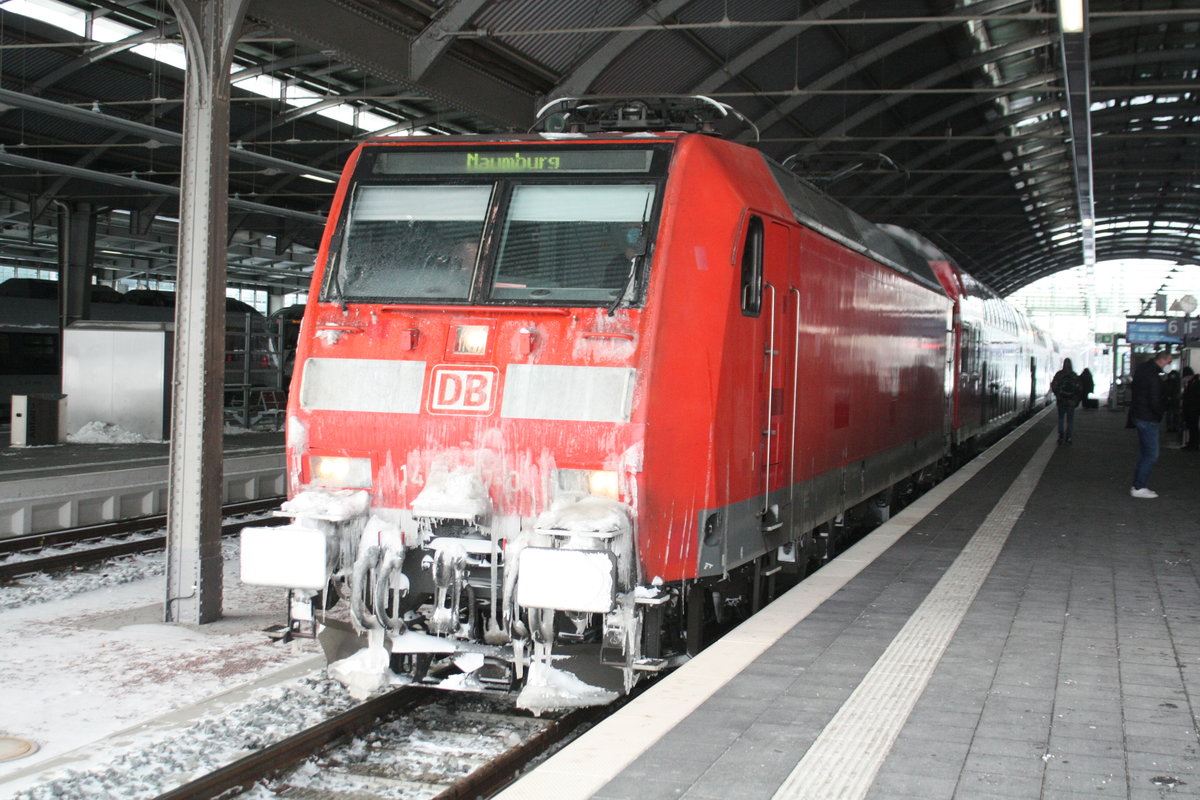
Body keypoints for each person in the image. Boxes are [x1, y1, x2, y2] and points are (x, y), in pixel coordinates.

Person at [1129, 350, 1174, 498]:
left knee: (1145, 452)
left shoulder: (1143, 369)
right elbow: (1155, 400)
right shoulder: (1154, 376)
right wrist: (1160, 413)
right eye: (1169, 362)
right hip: (1148, 418)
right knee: (1151, 454)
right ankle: (1139, 486)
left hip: (1139, 414)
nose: (1170, 365)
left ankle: (1138, 484)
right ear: (1163, 360)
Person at [1050, 357, 1081, 444]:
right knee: (1070, 420)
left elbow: (1053, 386)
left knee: (1061, 419)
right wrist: (1075, 400)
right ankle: (1069, 437)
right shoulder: (1074, 375)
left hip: (1061, 401)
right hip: (1071, 402)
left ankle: (1061, 436)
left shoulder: (1059, 375)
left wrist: (1058, 395)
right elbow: (1079, 389)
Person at [1182, 366, 1200, 451]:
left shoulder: (1196, 383)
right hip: (1191, 409)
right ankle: (1192, 443)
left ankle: (1194, 444)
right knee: (1191, 427)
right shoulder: (1192, 383)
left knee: (1193, 427)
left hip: (1194, 409)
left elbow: (1194, 397)